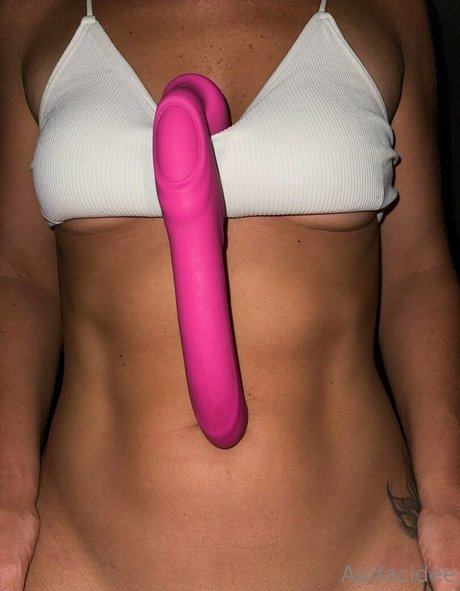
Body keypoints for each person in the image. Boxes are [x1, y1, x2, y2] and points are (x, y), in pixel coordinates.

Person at [0, 0, 459, 589]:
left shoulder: (388, 7)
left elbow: (419, 271)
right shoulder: (32, 10)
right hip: (80, 559)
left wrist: (448, 502)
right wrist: (8, 500)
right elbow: (19, 279)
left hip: (363, 554)